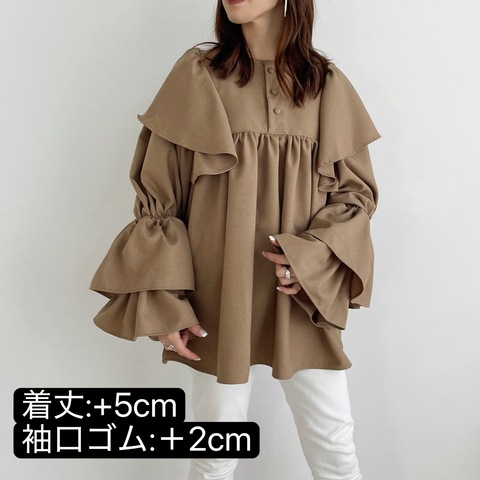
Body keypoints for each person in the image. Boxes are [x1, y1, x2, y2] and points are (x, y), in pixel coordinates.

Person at [89, 0, 381, 478]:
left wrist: (309, 259)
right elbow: (160, 200)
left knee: (335, 449)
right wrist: (166, 301)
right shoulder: (198, 77)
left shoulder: (325, 85)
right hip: (216, 298)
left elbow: (355, 198)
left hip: (300, 297)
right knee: (215, 455)